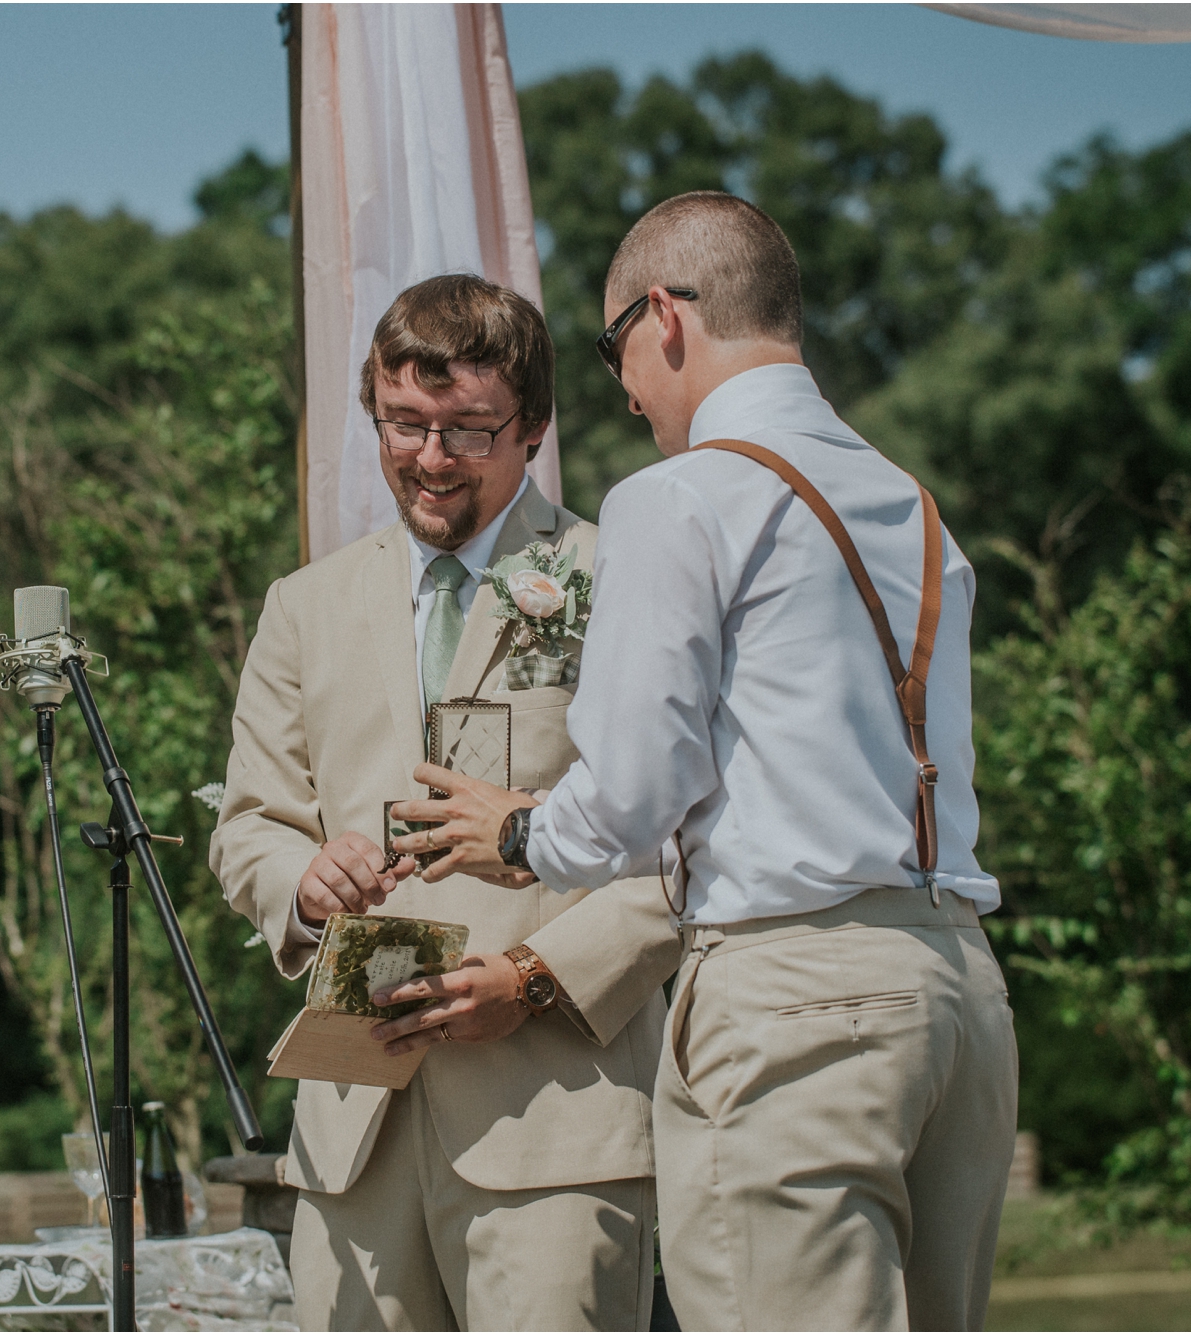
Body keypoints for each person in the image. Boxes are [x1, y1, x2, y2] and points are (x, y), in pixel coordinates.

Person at [391, 193, 1020, 1331]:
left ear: (663, 318)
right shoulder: (908, 505)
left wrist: (518, 832)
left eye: (612, 350)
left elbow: (632, 795)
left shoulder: (680, 497)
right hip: (959, 989)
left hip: (794, 993)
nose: (622, 392)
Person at [210, 275, 682, 1331]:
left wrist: (532, 978)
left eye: (467, 432)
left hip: (555, 1121)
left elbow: (684, 844)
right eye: (402, 425)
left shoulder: (619, 579)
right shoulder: (302, 605)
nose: (428, 459)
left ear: (535, 429)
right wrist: (302, 881)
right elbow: (248, 824)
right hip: (349, 1138)